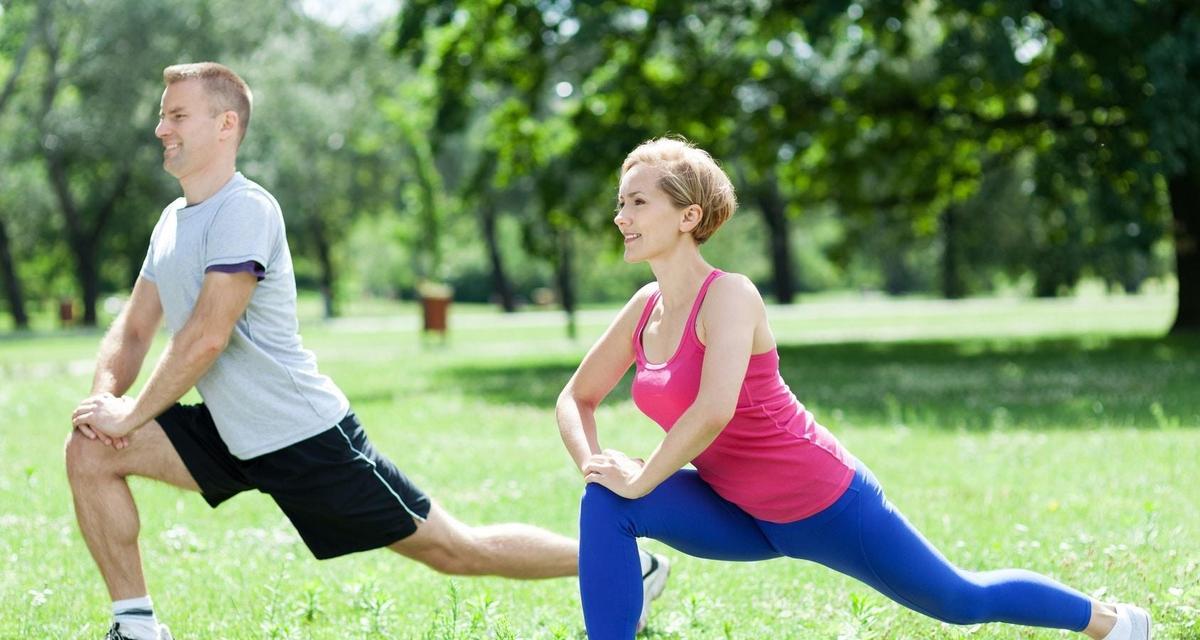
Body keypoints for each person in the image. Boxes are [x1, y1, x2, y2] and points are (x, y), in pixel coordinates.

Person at [65, 62, 668, 640]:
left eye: (176, 115)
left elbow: (206, 335)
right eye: (162, 117)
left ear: (226, 125)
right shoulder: (172, 222)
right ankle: (136, 624)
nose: (160, 129)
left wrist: (132, 413)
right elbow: (135, 328)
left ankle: (631, 567)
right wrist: (104, 400)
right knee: (90, 451)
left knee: (455, 551)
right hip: (229, 430)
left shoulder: (244, 210)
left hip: (300, 434)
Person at [556, 137, 1152, 640]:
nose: (621, 217)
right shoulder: (644, 309)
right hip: (735, 508)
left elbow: (714, 410)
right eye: (620, 203)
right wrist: (597, 468)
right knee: (605, 503)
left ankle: (1113, 622)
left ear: (688, 217)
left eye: (637, 202)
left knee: (959, 601)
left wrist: (641, 476)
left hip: (822, 501)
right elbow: (575, 399)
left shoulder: (730, 295)